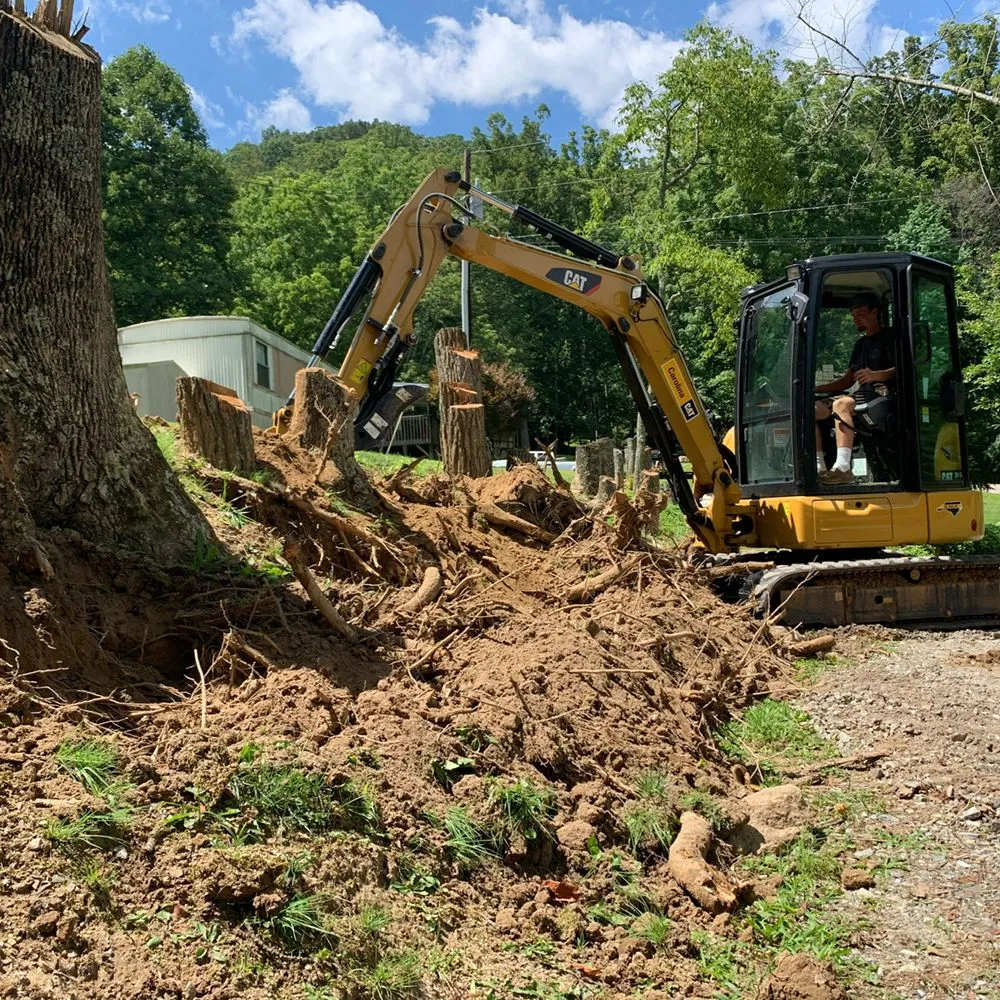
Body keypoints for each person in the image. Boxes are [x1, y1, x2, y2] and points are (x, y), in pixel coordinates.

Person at [814, 291, 896, 484]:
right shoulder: (860, 345)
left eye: (860, 314)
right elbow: (846, 381)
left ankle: (843, 467)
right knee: (812, 410)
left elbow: (906, 368)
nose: (856, 320)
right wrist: (813, 389)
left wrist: (877, 375)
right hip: (863, 396)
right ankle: (819, 468)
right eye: (853, 316)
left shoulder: (891, 337)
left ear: (875, 312)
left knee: (841, 404)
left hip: (886, 397)